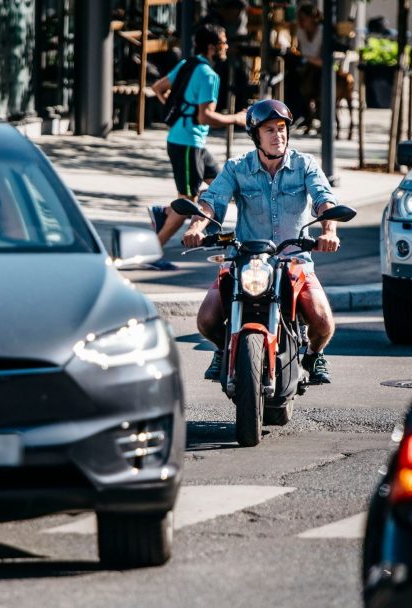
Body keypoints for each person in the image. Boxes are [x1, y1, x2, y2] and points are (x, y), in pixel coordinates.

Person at [182, 99, 340, 384]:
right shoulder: (237, 168)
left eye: (281, 128)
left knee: (322, 321)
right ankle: (222, 349)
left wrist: (329, 231)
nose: (278, 135)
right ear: (256, 135)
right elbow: (210, 202)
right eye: (269, 129)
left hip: (295, 260)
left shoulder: (305, 165)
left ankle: (314, 355)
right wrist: (197, 226)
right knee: (206, 319)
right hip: (245, 260)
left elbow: (324, 201)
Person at [147, 23, 247, 268]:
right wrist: (237, 119)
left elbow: (158, 88)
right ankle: (151, 253)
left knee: (221, 184)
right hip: (188, 143)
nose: (226, 46)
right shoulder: (209, 76)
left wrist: (175, 111)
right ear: (212, 47)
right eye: (223, 42)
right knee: (187, 203)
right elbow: (205, 117)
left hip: (188, 141)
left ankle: (165, 213)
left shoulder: (187, 64)